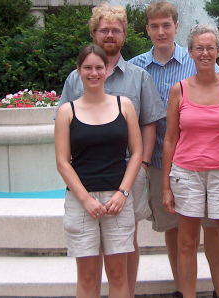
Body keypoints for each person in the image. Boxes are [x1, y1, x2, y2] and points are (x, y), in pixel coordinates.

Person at [129, 2, 219, 298]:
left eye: (166, 25)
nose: (161, 31)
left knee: (214, 231)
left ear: (175, 27)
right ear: (147, 29)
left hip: (217, 167)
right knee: (176, 232)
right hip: (164, 162)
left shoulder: (200, 63)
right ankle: (182, 290)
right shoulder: (138, 67)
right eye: (154, 26)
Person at [57, 3, 166, 297]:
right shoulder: (73, 80)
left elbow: (148, 124)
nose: (110, 35)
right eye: (104, 29)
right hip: (87, 184)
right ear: (94, 32)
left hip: (128, 176)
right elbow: (64, 136)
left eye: (116, 30)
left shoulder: (138, 76)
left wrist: (141, 165)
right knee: (89, 274)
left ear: (124, 35)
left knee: (127, 246)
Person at [161, 24, 219, 298]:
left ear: (218, 51)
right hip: (187, 175)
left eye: (210, 48)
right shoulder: (180, 90)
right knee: (187, 243)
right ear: (191, 52)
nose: (205, 53)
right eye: (199, 48)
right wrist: (165, 186)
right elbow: (170, 140)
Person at [54, 44, 143, 298]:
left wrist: (123, 193)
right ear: (79, 70)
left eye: (99, 67)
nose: (94, 73)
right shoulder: (66, 112)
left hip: (117, 201)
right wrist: (86, 200)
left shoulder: (124, 105)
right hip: (81, 202)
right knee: (88, 277)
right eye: (87, 68)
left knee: (118, 275)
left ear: (107, 69)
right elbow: (62, 162)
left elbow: (136, 153)